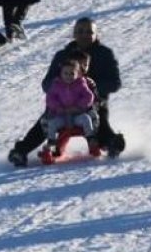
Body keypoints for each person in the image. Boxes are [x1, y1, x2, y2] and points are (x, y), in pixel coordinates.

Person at [7, 17, 125, 166]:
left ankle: (111, 143)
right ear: (74, 34)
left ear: (96, 35)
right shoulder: (63, 55)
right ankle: (21, 151)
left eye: (89, 32)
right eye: (80, 31)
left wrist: (91, 89)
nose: (84, 35)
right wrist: (59, 88)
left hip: (93, 102)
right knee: (45, 123)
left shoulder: (104, 54)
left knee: (98, 121)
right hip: (62, 104)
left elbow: (115, 83)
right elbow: (46, 83)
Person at [42, 51, 99, 143]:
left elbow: (89, 96)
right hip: (61, 115)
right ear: (61, 73)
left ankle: (90, 139)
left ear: (78, 74)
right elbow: (50, 98)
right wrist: (57, 107)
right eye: (66, 73)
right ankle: (51, 142)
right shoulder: (57, 84)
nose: (68, 76)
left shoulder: (81, 83)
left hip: (77, 114)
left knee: (86, 119)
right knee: (52, 123)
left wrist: (79, 107)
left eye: (72, 74)